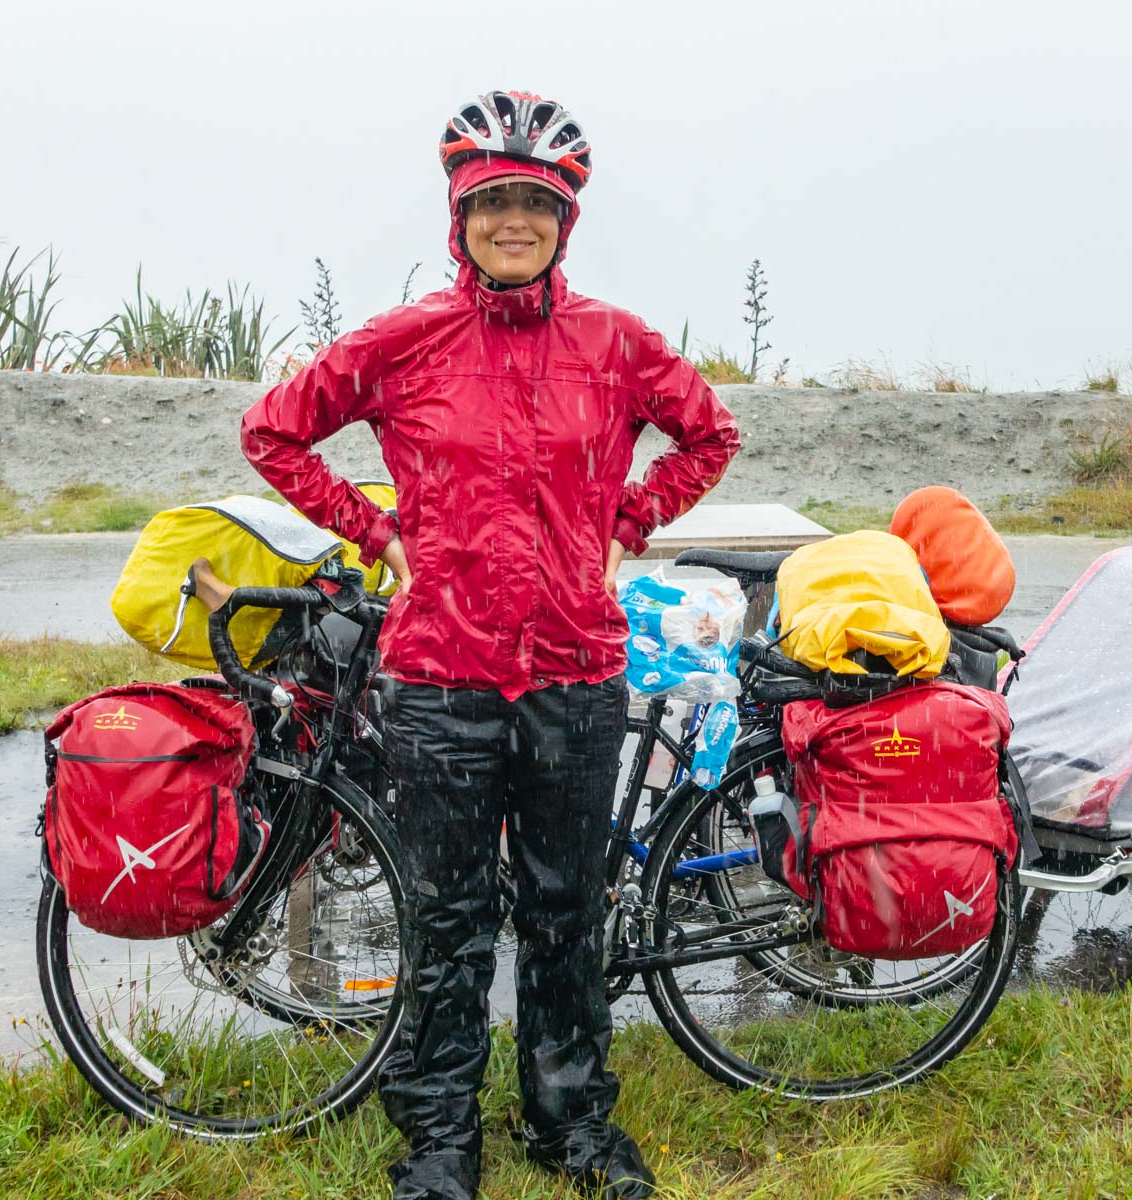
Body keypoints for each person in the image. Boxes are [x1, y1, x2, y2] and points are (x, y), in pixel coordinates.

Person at [239, 88, 740, 1200]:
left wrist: (629, 520)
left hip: (572, 667)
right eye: (491, 201)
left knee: (566, 907)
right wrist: (377, 530)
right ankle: (441, 1140)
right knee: (449, 916)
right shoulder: (407, 340)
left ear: (567, 220)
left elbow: (710, 430)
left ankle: (570, 1126)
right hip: (440, 674)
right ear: (458, 216)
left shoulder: (614, 344)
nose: (513, 220)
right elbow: (273, 430)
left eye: (536, 203)